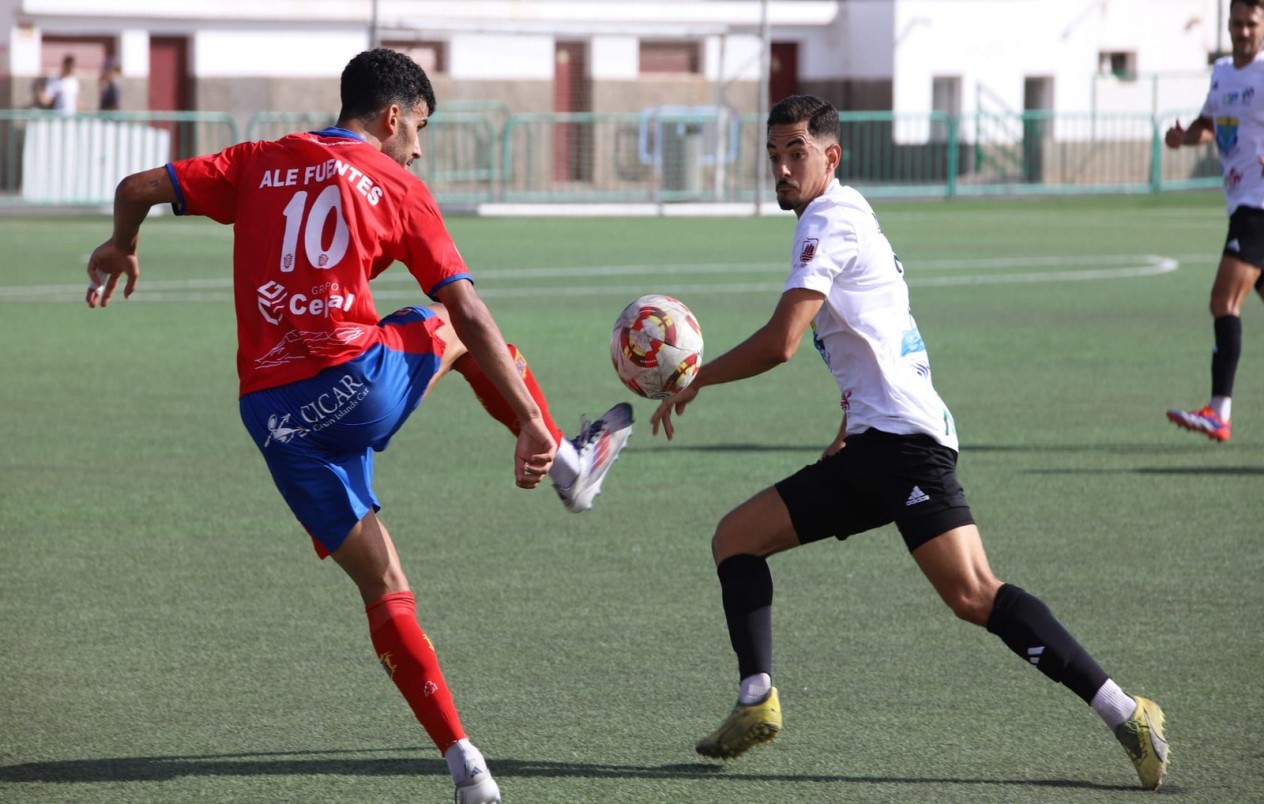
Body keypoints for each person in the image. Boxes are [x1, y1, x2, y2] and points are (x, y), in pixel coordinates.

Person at [84, 48, 633, 804]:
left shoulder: (259, 158)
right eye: (420, 129)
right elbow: (469, 313)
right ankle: (567, 464)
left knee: (385, 588)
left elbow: (136, 187)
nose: (418, 147)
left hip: (275, 421)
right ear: (392, 115)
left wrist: (124, 243)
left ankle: (466, 766)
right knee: (449, 324)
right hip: (355, 385)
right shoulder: (395, 182)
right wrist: (530, 420)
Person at [649, 95, 1170, 791]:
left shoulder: (831, 222)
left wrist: (695, 380)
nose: (780, 166)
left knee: (974, 593)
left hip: (906, 448)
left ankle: (1125, 712)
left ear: (830, 156)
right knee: (736, 538)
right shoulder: (843, 214)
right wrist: (847, 421)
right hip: (871, 445)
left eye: (794, 153)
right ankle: (756, 699)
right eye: (773, 154)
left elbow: (781, 343)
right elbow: (872, 334)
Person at [1164, 0, 1264, 442]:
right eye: (1237, 23)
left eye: (1252, 24)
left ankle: (1219, 411)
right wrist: (1186, 137)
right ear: (1228, 24)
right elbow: (1211, 123)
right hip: (1240, 201)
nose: (1243, 31)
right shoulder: (1223, 71)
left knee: (1223, 301)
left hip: (1258, 207)